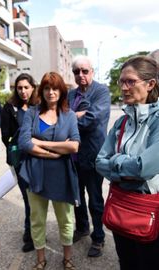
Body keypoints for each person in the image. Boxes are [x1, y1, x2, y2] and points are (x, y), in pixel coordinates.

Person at [96, 55, 159, 270]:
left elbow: (145, 167)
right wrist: (128, 169)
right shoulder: (122, 121)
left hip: (149, 210)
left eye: (130, 81)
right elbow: (99, 162)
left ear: (150, 84)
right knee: (127, 263)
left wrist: (116, 162)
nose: (123, 87)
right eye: (121, 81)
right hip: (122, 207)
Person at [18, 72, 80, 270]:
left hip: (62, 176)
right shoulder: (32, 113)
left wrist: (42, 143)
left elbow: (75, 146)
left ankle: (67, 258)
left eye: (55, 88)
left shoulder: (69, 115)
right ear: (41, 91)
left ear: (62, 91)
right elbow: (24, 143)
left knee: (66, 220)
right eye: (46, 88)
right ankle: (40, 259)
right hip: (35, 174)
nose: (51, 92)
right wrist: (56, 151)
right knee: (37, 220)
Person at [68, 55, 111, 257]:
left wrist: (70, 120)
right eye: (77, 71)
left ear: (92, 71)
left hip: (92, 155)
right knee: (76, 198)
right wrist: (73, 116)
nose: (81, 75)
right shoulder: (70, 95)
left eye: (85, 71)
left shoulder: (101, 91)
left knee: (95, 199)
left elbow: (92, 120)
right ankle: (82, 228)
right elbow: (60, 117)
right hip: (72, 156)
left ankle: (99, 237)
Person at [1, 73, 38, 253]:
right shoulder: (10, 107)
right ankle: (31, 235)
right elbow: (5, 135)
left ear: (33, 87)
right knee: (28, 198)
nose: (23, 91)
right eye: (19, 88)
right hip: (20, 161)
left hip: (39, 159)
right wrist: (16, 144)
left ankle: (33, 230)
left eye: (26, 87)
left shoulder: (39, 106)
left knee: (38, 198)